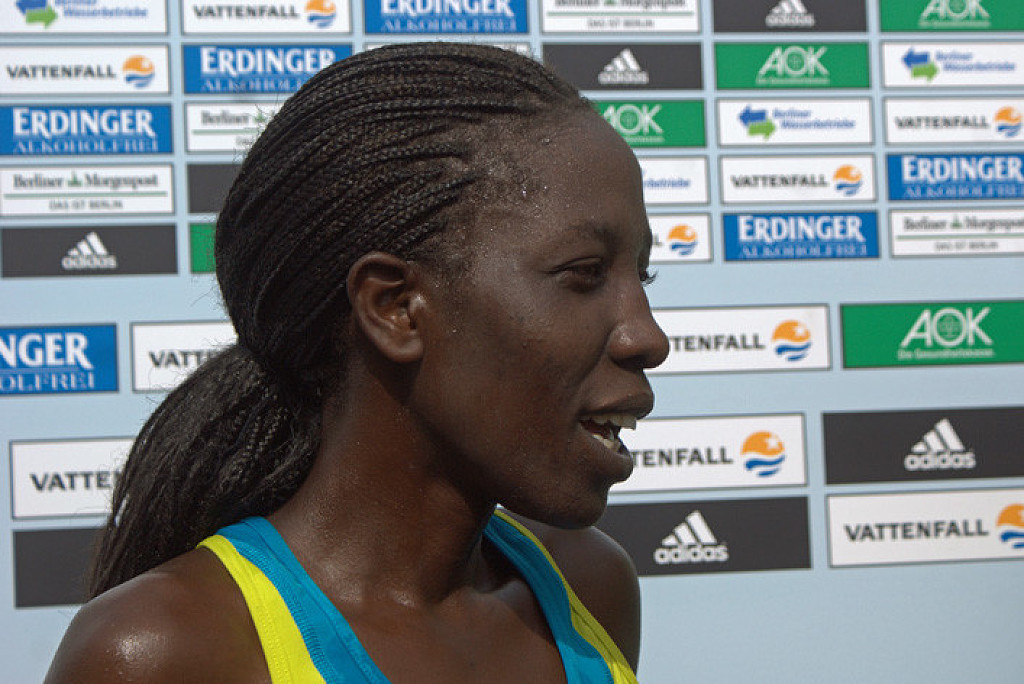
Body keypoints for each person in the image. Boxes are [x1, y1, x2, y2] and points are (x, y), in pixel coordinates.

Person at [45, 42, 669, 683]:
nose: (647, 337)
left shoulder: (588, 586)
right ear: (395, 308)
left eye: (641, 275)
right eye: (584, 274)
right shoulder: (167, 654)